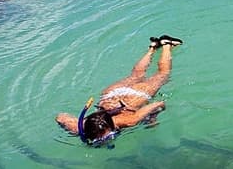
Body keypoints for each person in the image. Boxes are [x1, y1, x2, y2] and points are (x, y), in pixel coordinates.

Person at [55, 35, 183, 147]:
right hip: (111, 94)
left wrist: (153, 116)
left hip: (134, 97)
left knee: (163, 74)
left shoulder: (130, 121)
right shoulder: (80, 127)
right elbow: (60, 117)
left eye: (105, 136)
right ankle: (152, 47)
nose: (101, 140)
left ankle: (166, 44)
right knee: (136, 75)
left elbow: (158, 103)